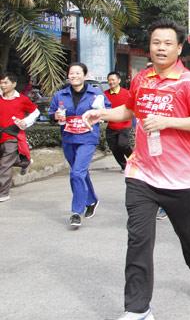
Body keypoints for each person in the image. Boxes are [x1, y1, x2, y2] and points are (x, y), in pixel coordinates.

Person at [84, 18, 190, 320]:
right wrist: (101, 113)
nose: (160, 48)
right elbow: (129, 112)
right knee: (139, 239)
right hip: (141, 173)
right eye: (156, 42)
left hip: (180, 178)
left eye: (167, 43)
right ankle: (138, 309)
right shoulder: (142, 78)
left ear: (179, 48)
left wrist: (168, 122)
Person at [48, 63, 109, 228]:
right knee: (80, 172)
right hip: (68, 138)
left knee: (76, 173)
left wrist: (97, 113)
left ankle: (76, 212)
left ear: (84, 75)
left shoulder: (95, 93)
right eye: (71, 73)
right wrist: (56, 116)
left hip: (87, 138)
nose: (74, 76)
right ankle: (91, 200)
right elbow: (51, 114)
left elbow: (107, 110)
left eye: (77, 73)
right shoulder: (60, 95)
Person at [0, 72, 40, 203]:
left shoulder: (22, 99)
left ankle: (3, 193)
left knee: (4, 165)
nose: (3, 85)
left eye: (5, 82)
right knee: (5, 161)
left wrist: (25, 122)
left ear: (14, 84)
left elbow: (36, 112)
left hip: (12, 135)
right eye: (1, 82)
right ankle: (25, 162)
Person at [104, 71, 133, 170]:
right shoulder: (104, 95)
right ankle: (124, 166)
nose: (111, 82)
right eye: (109, 80)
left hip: (124, 125)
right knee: (114, 148)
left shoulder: (127, 93)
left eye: (113, 80)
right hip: (111, 126)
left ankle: (134, 162)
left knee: (123, 144)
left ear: (119, 80)